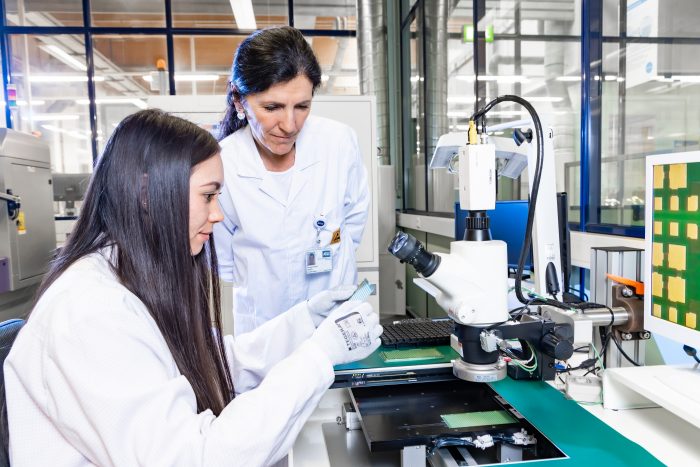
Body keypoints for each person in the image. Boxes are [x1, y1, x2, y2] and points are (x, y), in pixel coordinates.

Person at [4, 109, 381, 466]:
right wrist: (318, 357)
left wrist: (305, 322)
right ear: (148, 194)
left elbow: (211, 363)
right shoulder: (92, 312)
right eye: (208, 196)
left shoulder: (124, 277)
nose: (218, 214)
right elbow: (195, 458)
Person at [214, 26, 370, 335]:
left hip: (335, 324)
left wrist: (327, 248)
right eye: (272, 107)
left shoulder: (338, 143)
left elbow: (352, 225)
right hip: (263, 329)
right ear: (239, 101)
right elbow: (224, 260)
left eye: (302, 106)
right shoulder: (223, 162)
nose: (289, 124)